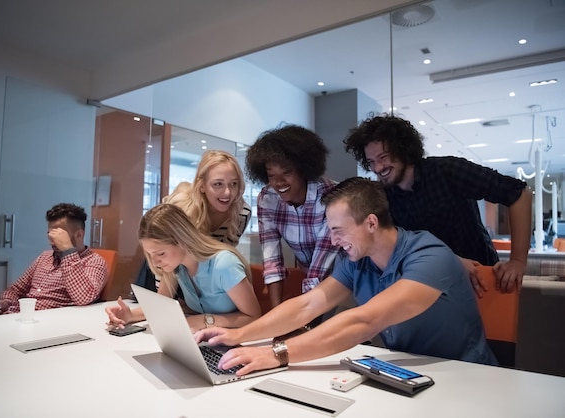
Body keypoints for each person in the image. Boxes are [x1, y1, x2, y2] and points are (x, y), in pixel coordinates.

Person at [195, 177, 497, 376]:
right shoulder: (358, 260)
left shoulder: (430, 256)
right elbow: (307, 306)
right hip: (408, 373)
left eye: (338, 230)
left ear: (371, 223)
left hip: (465, 375)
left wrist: (276, 353)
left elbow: (364, 321)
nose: (333, 240)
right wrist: (240, 336)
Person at [343, 113, 531, 296]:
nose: (377, 168)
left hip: (479, 281)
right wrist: (451, 261)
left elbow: (518, 194)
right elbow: (399, 246)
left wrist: (517, 261)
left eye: (383, 157)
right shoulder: (384, 197)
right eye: (371, 162)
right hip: (426, 287)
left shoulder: (447, 171)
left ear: (403, 150)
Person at [106, 204, 261, 332]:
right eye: (150, 254)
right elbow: (160, 306)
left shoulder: (224, 264)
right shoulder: (176, 267)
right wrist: (130, 315)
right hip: (206, 340)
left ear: (182, 241)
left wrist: (204, 320)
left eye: (160, 253)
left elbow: (254, 317)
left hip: (237, 343)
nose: (155, 261)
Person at [0, 203, 107, 320]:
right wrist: (4, 303)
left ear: (78, 234)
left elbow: (84, 298)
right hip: (10, 318)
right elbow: (16, 290)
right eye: (50, 233)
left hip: (38, 326)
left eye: (58, 235)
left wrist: (68, 251)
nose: (51, 240)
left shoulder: (94, 262)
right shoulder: (44, 257)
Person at [245, 125, 340, 309]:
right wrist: (275, 313)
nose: (278, 182)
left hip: (344, 275)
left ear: (303, 169)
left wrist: (301, 321)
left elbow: (319, 270)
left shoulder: (332, 197)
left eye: (286, 172)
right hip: (309, 279)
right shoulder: (268, 198)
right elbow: (272, 259)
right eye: (271, 175)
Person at [135, 150, 251, 291]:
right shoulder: (183, 208)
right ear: (202, 185)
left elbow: (223, 257)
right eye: (218, 184)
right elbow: (164, 259)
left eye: (233, 184)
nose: (227, 192)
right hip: (169, 273)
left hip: (201, 283)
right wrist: (163, 300)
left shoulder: (241, 213)